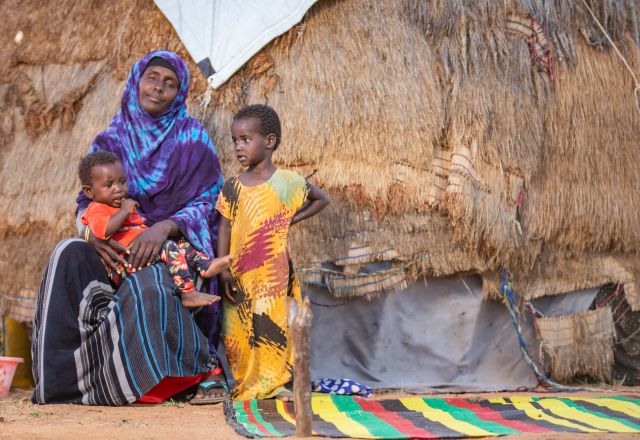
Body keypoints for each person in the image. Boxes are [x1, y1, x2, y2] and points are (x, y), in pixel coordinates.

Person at [32, 51, 229, 405]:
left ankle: (163, 376)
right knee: (67, 252)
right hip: (115, 252)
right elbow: (85, 203)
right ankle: (60, 376)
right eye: (152, 77)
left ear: (180, 91)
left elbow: (210, 203)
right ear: (137, 80)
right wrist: (92, 236)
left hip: (173, 257)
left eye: (170, 83)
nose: (158, 88)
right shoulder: (110, 140)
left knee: (148, 284)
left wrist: (165, 228)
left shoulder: (193, 140)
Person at [216, 104, 330, 400]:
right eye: (235, 141)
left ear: (269, 142)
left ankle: (273, 383)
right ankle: (246, 383)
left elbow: (322, 198)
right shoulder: (232, 187)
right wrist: (224, 269)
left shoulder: (288, 182)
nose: (239, 147)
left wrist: (293, 217)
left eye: (245, 139)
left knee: (272, 327)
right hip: (240, 273)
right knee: (237, 331)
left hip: (273, 273)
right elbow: (225, 228)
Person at [78, 150, 232, 307]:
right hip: (123, 264)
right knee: (168, 247)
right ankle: (188, 293)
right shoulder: (96, 209)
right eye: (109, 185)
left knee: (181, 243)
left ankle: (204, 265)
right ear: (89, 191)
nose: (118, 189)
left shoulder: (119, 206)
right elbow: (103, 231)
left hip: (138, 254)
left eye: (122, 182)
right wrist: (125, 211)